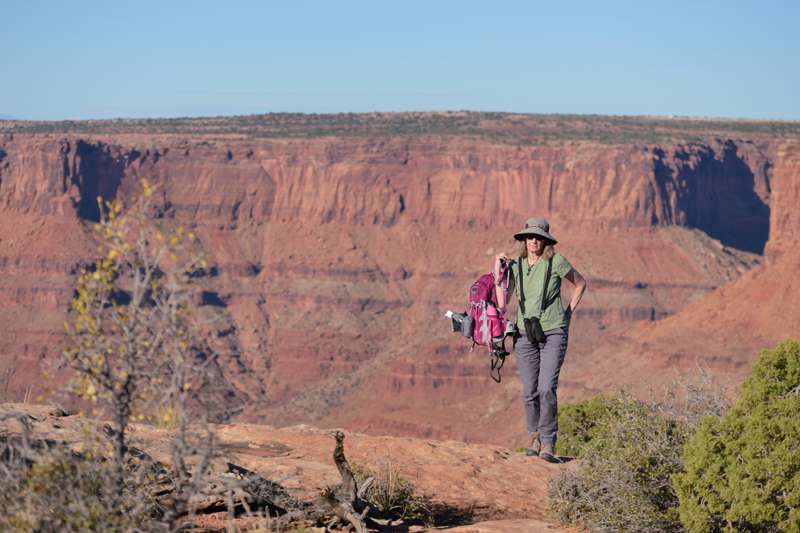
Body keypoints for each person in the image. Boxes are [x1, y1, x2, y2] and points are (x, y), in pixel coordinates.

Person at [493, 217, 587, 463]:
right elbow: (503, 301)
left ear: (546, 240)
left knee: (546, 388)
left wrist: (568, 313)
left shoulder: (556, 262)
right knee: (529, 392)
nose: (533, 240)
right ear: (524, 240)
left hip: (554, 331)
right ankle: (533, 436)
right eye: (529, 236)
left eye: (538, 237)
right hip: (525, 334)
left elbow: (580, 283)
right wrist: (497, 268)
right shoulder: (517, 266)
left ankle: (548, 439)